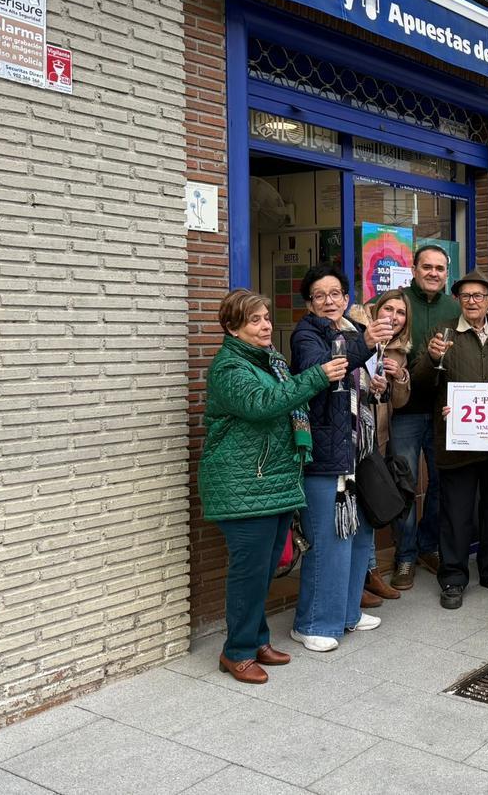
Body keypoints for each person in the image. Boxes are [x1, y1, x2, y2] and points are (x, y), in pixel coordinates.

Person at [200, 289, 348, 682]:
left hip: (274, 481)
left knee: (266, 569)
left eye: (267, 317)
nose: (266, 325)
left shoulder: (271, 361)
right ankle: (237, 652)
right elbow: (263, 404)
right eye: (255, 320)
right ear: (232, 328)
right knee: (248, 573)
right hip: (245, 485)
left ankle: (256, 639)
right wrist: (317, 376)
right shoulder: (230, 369)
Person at [289, 265, 393, 652]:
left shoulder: (349, 330)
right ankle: (312, 621)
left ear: (347, 297)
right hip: (326, 453)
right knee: (329, 537)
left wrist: (377, 383)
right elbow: (322, 371)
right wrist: (365, 342)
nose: (330, 301)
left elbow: (355, 380)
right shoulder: (307, 334)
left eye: (336, 293)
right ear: (309, 303)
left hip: (357, 451)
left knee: (359, 533)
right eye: (320, 295)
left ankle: (347, 613)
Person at [416, 269, 488, 610]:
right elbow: (421, 381)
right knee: (456, 513)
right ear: (457, 300)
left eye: (478, 296)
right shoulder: (442, 332)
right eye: (465, 296)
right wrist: (432, 358)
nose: (471, 302)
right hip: (456, 441)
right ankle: (453, 577)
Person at [391, 245, 461, 589]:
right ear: (414, 269)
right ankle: (404, 557)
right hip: (405, 409)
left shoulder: (455, 307)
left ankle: (427, 545)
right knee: (404, 485)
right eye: (427, 267)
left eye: (440, 268)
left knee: (440, 484)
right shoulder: (400, 302)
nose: (434, 273)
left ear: (447, 273)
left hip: (443, 410)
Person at [355, 290, 414, 609]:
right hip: (352, 439)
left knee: (369, 508)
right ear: (374, 310)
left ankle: (369, 574)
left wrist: (400, 376)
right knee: (357, 510)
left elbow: (398, 401)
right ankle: (364, 576)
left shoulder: (400, 350)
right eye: (388, 308)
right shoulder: (356, 334)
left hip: (377, 439)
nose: (393, 315)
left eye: (401, 312)